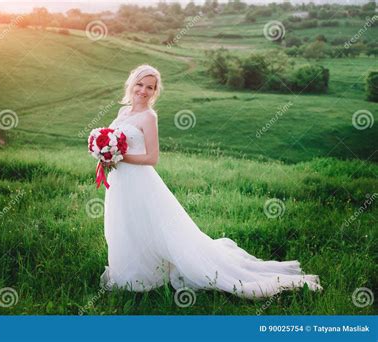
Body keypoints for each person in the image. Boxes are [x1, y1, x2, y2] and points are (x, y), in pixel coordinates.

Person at [100, 64, 322, 299]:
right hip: (120, 180)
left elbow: (151, 158)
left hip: (140, 181)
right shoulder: (123, 113)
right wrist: (103, 153)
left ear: (155, 92)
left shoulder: (148, 117)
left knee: (151, 225)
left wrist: (118, 156)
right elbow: (115, 140)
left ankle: (150, 275)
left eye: (150, 87)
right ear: (131, 83)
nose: (143, 90)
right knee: (125, 223)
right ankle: (131, 273)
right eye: (140, 84)